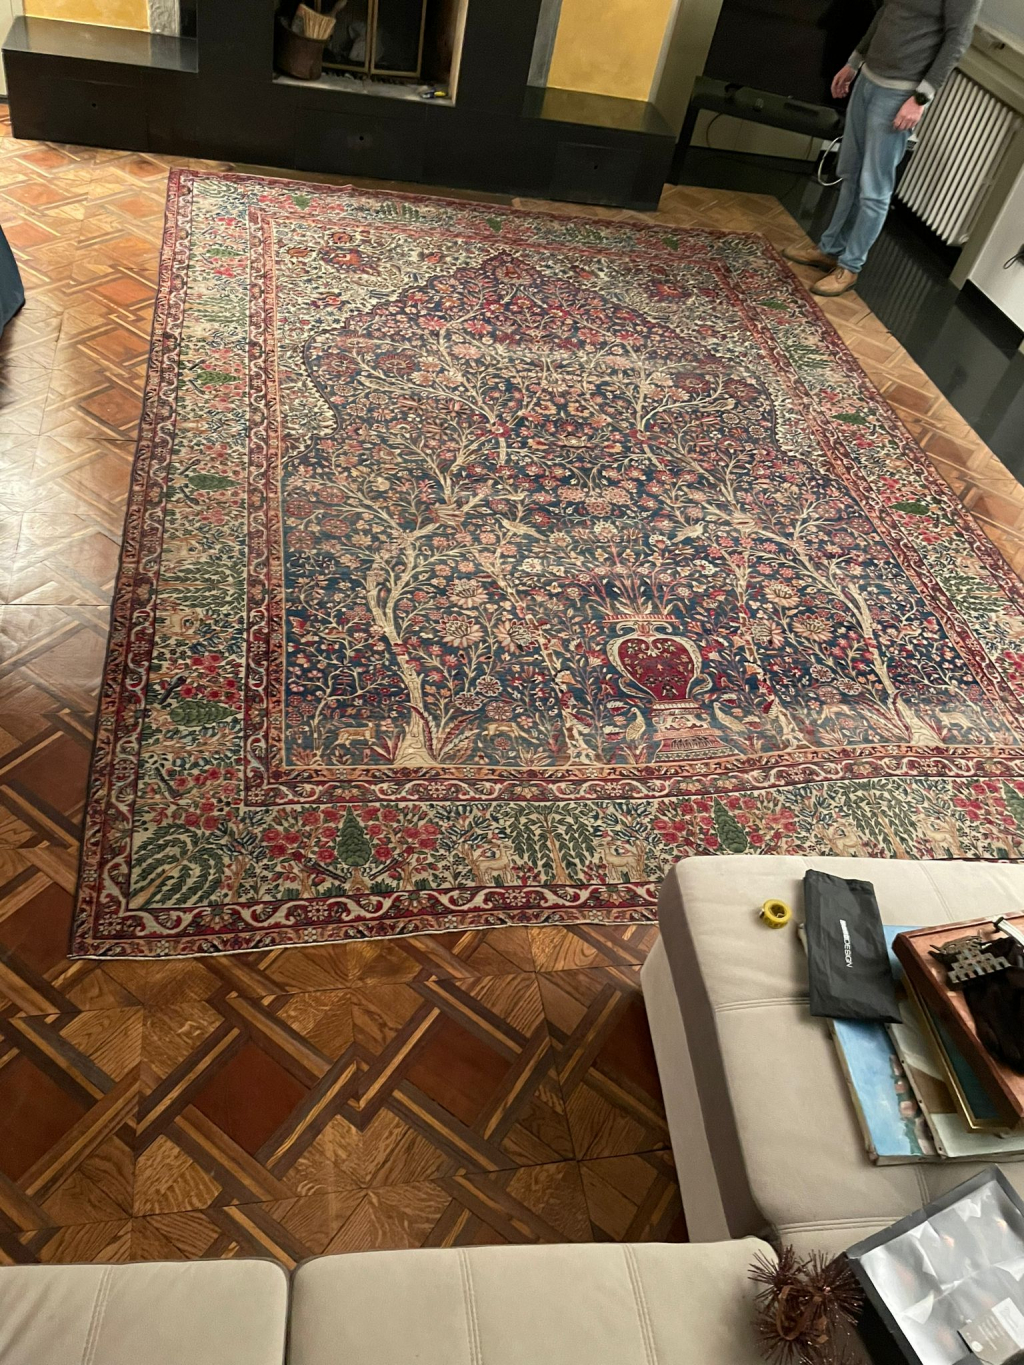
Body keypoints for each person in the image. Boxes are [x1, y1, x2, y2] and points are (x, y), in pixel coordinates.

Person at [785, 0, 983, 297]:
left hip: (900, 94)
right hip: (868, 80)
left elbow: (958, 40)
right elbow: (886, 11)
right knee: (849, 173)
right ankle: (829, 250)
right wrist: (854, 61)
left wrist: (921, 98)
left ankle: (850, 267)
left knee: (874, 189)